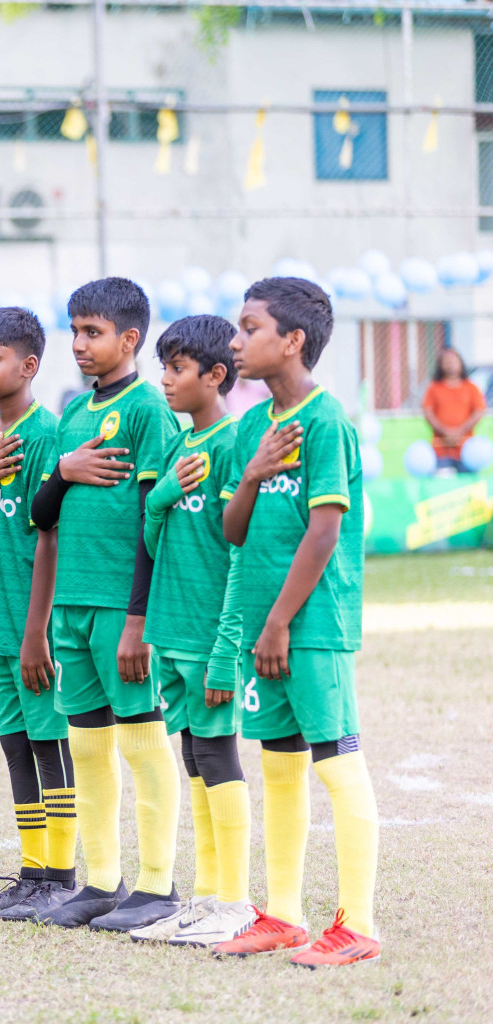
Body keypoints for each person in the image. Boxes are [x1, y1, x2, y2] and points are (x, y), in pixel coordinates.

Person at [216, 277, 379, 967]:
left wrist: (281, 623)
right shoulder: (251, 427)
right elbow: (232, 529)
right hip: (266, 629)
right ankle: (282, 913)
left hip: (308, 627)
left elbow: (323, 533)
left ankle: (359, 925)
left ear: (292, 340)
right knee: (277, 769)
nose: (234, 340)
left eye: (249, 327)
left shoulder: (327, 422)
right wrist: (250, 475)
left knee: (337, 767)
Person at [28, 278, 182, 930]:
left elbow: (156, 521)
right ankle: (102, 882)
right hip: (73, 606)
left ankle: (159, 886)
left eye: (92, 332)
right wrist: (62, 471)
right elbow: (41, 517)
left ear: (130, 339)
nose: (79, 344)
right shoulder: (73, 415)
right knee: (87, 748)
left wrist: (139, 620)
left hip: (123, 609)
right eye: (75, 331)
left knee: (143, 746)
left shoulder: (148, 410)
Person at [132, 314, 252, 945]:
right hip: (170, 634)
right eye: (165, 368)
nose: (166, 381)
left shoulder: (233, 445)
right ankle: (206, 896)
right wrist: (159, 497)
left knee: (218, 755)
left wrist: (227, 653)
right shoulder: (179, 447)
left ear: (216, 376)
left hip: (211, 640)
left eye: (177, 369)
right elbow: (154, 537)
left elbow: (239, 556)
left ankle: (235, 901)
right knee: (194, 760)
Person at [0, 308, 78, 919]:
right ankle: (32, 872)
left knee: (49, 739)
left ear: (28, 366)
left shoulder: (48, 436)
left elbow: (51, 534)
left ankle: (61, 874)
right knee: (14, 743)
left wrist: (39, 632)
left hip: (37, 626)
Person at [422, 347, 484, 473]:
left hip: (467, 451)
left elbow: (478, 411)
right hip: (441, 451)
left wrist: (460, 431)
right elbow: (428, 412)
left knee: (468, 485)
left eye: (453, 361)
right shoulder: (434, 388)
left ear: (460, 363)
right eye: (446, 361)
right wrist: (445, 432)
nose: (450, 364)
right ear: (441, 366)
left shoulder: (471, 387)